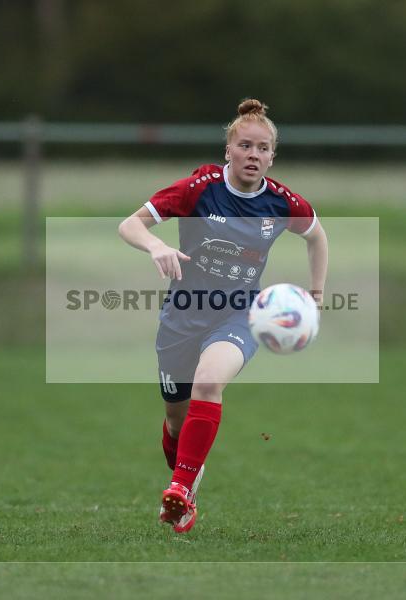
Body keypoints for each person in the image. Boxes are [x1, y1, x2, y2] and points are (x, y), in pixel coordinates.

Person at [118, 99, 329, 532]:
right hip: (182, 315)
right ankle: (187, 484)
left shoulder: (280, 202)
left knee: (209, 382)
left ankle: (180, 487)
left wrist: (316, 296)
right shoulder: (199, 189)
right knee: (176, 420)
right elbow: (130, 224)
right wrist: (156, 246)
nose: (254, 155)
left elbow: (316, 236)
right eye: (245, 145)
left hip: (238, 315)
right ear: (228, 150)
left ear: (272, 156)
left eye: (263, 148)